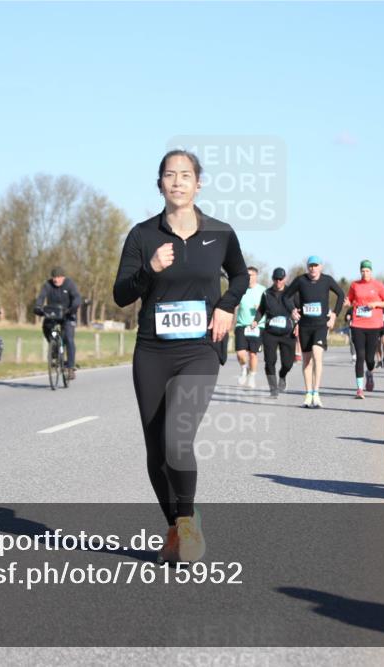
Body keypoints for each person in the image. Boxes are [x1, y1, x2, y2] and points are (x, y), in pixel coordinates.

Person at [113, 149, 248, 561]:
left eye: (185, 175)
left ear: (198, 184)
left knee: (177, 437)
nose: (177, 182)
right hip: (152, 351)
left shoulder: (220, 233)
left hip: (199, 351)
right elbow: (121, 295)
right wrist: (149, 269)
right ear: (160, 184)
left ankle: (188, 526)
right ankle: (175, 528)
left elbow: (241, 274)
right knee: (156, 451)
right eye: (169, 175)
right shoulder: (142, 235)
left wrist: (227, 305)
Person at [283, 256, 344, 408]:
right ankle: (308, 393)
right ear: (307, 267)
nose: (313, 268)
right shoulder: (300, 280)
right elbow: (286, 297)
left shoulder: (327, 280)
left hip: (320, 325)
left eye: (316, 266)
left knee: (318, 355)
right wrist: (292, 311)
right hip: (305, 326)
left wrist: (335, 314)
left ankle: (316, 393)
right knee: (307, 360)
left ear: (321, 267)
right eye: (310, 266)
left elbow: (341, 295)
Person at [344, 260, 384, 398]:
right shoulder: (355, 285)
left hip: (373, 325)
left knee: (370, 359)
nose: (365, 273)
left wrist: (375, 304)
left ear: (371, 271)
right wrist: (347, 302)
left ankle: (370, 373)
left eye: (367, 271)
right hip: (357, 324)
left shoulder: (378, 285)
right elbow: (350, 299)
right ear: (360, 271)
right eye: (363, 271)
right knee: (360, 356)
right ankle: (359, 389)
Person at [253, 267, 298, 398]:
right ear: (272, 279)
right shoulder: (266, 293)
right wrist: (256, 320)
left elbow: (300, 310)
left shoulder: (292, 293)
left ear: (285, 278)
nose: (278, 281)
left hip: (287, 333)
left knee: (288, 363)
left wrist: (298, 325)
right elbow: (261, 309)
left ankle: (283, 375)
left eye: (281, 279)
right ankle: (273, 389)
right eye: (276, 279)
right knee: (269, 361)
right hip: (270, 333)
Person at [35, 267, 82, 380]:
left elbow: (77, 298)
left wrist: (73, 308)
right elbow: (41, 297)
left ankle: (70, 367)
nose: (56, 280)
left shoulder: (69, 284)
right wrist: (38, 307)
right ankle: (55, 348)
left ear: (63, 277)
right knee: (46, 327)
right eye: (54, 277)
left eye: (58, 277)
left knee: (69, 339)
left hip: (67, 314)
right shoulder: (47, 285)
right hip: (53, 314)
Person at [233, 267, 267, 389]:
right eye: (247, 275)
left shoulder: (263, 290)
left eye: (251, 275)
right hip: (241, 325)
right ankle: (244, 369)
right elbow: (234, 304)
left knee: (253, 354)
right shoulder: (241, 289)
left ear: (256, 276)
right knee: (240, 353)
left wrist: (261, 307)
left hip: (257, 326)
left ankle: (252, 376)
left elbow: (269, 307)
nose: (249, 277)